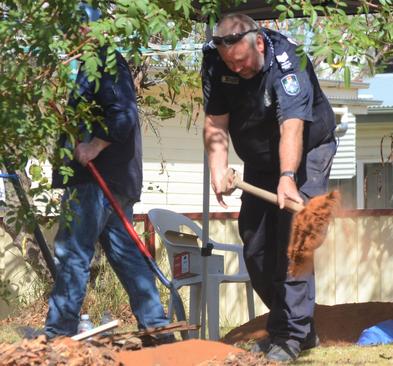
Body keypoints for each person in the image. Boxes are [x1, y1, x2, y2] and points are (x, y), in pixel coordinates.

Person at [202, 13, 337, 362]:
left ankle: (290, 336)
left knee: (294, 239)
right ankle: (298, 330)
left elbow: (291, 127)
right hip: (260, 161)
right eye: (229, 63)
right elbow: (216, 122)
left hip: (306, 153)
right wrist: (218, 168)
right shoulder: (218, 65)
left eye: (242, 61)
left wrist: (288, 177)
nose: (237, 69)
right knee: (257, 247)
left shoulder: (288, 63)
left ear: (258, 43)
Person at [44, 4, 171, 341]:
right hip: (113, 181)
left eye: (72, 29)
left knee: (72, 252)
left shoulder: (104, 62)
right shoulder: (88, 66)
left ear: (87, 29)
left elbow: (124, 117)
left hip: (97, 182)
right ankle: (156, 326)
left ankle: (58, 333)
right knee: (125, 254)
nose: (66, 36)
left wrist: (92, 147)